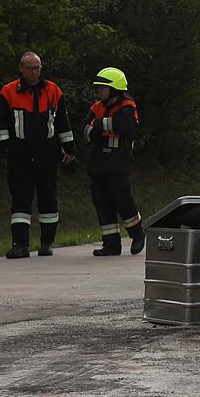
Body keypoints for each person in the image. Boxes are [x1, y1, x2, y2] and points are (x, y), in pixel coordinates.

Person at [0, 52, 76, 258]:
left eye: (37, 67)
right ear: (21, 68)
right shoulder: (9, 91)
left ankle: (47, 243)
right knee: (20, 198)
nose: (33, 72)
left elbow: (63, 124)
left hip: (47, 153)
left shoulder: (53, 90)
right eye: (29, 68)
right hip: (19, 154)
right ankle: (20, 244)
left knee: (48, 197)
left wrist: (70, 150)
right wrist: (6, 147)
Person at [83, 67, 144, 256]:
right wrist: (99, 126)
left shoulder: (128, 106)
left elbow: (120, 127)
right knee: (102, 202)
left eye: (102, 87)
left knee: (122, 199)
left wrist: (98, 125)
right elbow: (86, 131)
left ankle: (137, 234)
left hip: (118, 163)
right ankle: (111, 244)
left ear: (114, 88)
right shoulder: (97, 106)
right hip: (98, 163)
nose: (99, 91)